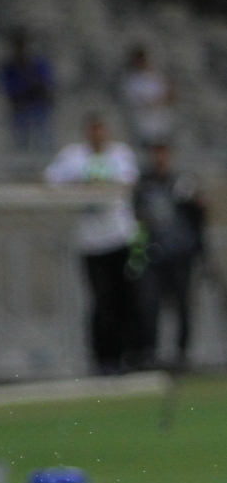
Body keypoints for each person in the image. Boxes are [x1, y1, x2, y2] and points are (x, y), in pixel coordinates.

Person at [45, 115, 141, 372]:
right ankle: (103, 358)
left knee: (126, 299)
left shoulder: (120, 153)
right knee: (101, 302)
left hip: (120, 237)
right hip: (91, 241)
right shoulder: (73, 156)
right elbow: (52, 180)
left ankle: (129, 354)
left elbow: (128, 182)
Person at [133, 142, 206, 367]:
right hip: (153, 253)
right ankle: (149, 353)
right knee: (149, 305)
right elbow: (137, 217)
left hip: (180, 253)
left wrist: (195, 201)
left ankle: (182, 353)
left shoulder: (181, 182)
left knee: (182, 304)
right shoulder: (144, 185)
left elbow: (200, 212)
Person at [0, 29, 54, 153]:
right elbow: (7, 87)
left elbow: (48, 82)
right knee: (21, 137)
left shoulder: (37, 63)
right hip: (20, 107)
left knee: (42, 135)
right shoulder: (10, 67)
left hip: (38, 104)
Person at [121, 45, 174, 148]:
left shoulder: (156, 76)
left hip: (161, 121)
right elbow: (134, 101)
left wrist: (160, 100)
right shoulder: (131, 80)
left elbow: (170, 95)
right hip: (141, 123)